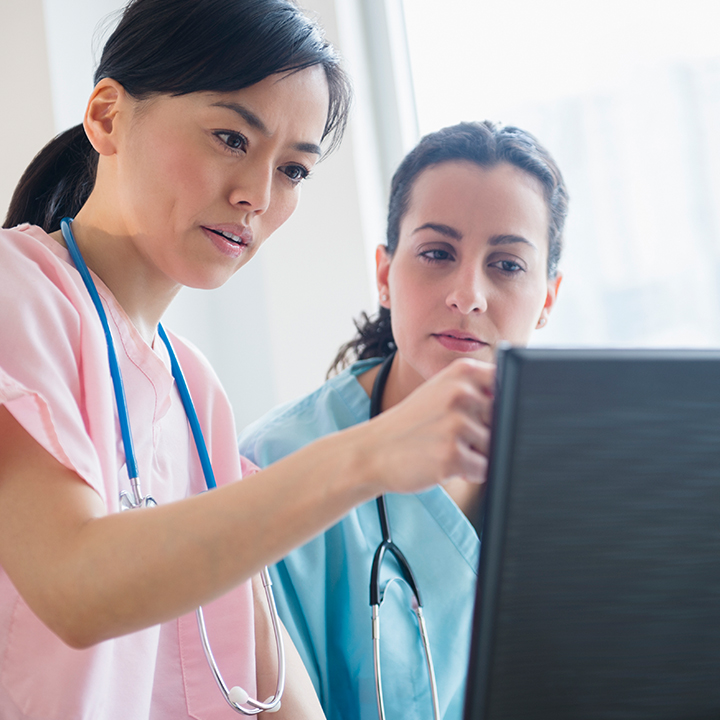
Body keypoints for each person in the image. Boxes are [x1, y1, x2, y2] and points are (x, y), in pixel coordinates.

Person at [0, 2, 496, 719]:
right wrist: (369, 456)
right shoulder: (18, 292)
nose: (256, 197)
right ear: (107, 116)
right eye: (231, 137)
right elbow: (77, 589)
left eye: (293, 169)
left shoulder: (194, 390)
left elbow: (267, 680)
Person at [238, 120, 568, 720]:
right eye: (437, 253)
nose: (468, 294)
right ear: (386, 275)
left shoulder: (587, 470)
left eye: (508, 265)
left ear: (548, 298)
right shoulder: (271, 467)